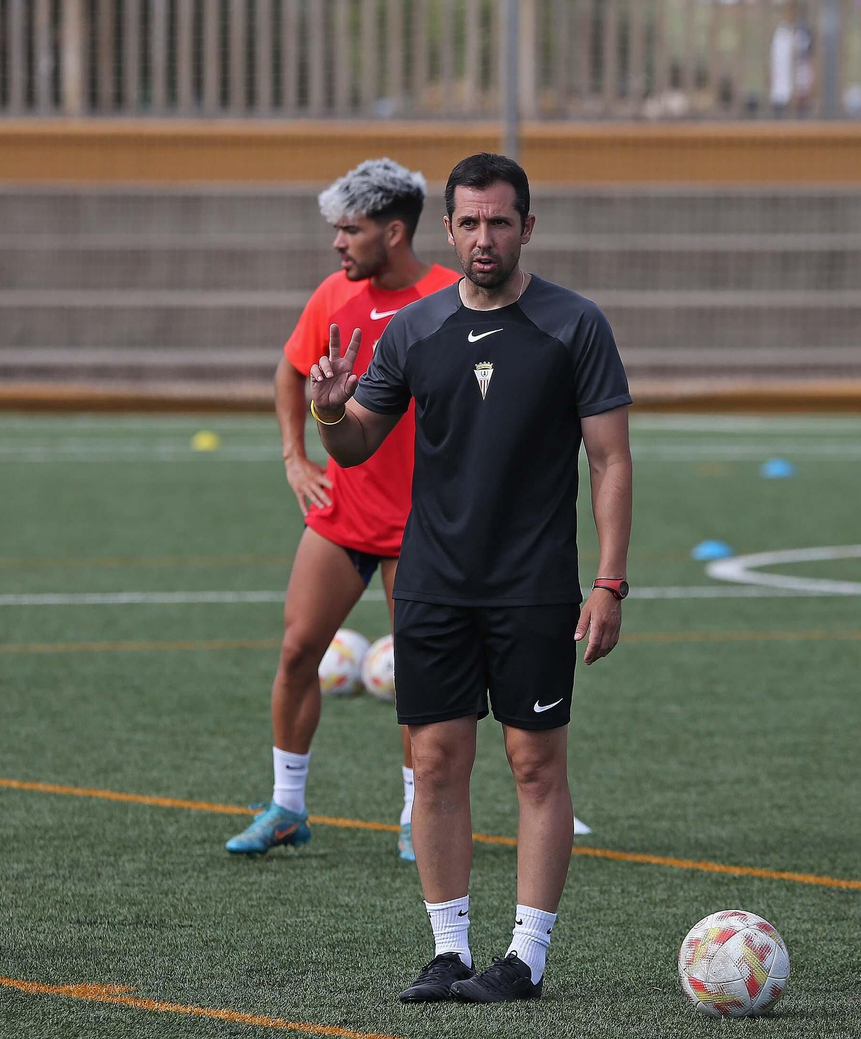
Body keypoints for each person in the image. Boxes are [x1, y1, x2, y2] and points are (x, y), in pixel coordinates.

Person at [305, 153, 633, 1002]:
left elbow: (609, 460)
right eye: (471, 223)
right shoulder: (413, 330)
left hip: (533, 586)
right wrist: (330, 408)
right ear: (447, 231)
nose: (485, 238)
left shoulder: (575, 324)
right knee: (438, 760)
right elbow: (354, 447)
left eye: (501, 221)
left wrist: (609, 581)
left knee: (534, 766)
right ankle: (449, 950)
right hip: (432, 583)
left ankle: (525, 956)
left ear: (528, 227)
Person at [225, 158, 459, 860]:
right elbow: (289, 373)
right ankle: (288, 807)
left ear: (393, 232)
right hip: (343, 513)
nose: (336, 243)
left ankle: (418, 815)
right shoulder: (332, 294)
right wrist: (296, 457)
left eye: (348, 230)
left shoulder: (451, 297)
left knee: (418, 676)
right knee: (298, 650)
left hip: (422, 524)